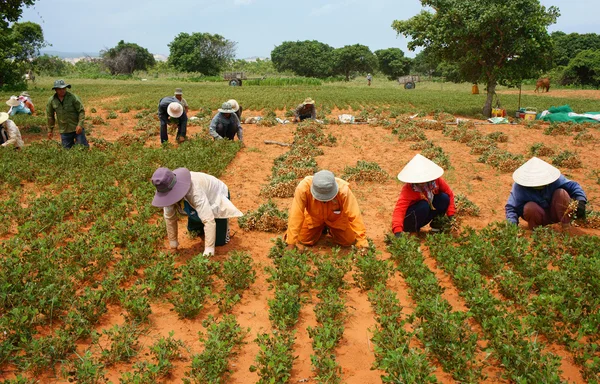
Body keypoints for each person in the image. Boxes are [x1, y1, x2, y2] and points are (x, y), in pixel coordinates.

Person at [151, 167, 243, 256]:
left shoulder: (195, 191)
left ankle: (219, 224)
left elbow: (208, 220)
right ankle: (197, 220)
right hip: (195, 201)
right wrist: (173, 246)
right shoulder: (166, 189)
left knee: (218, 241)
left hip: (216, 196)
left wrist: (209, 251)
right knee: (194, 231)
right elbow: (169, 218)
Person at [285, 170, 368, 250]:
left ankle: (332, 230)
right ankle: (320, 229)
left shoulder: (343, 191)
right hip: (314, 218)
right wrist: (291, 243)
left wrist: (362, 243)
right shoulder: (303, 188)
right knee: (303, 239)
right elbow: (296, 214)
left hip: (336, 219)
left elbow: (355, 215)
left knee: (348, 241)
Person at [505, 157, 587, 229]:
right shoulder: (519, 187)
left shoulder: (555, 179)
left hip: (556, 213)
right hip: (537, 216)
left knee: (561, 193)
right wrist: (512, 226)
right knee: (530, 207)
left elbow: (573, 186)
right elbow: (511, 207)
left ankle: (566, 227)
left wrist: (581, 201)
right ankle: (536, 231)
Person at [392, 154, 455, 235]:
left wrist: (451, 215)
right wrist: (397, 230)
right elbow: (399, 210)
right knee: (423, 205)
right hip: (412, 217)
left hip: (425, 214)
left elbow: (449, 194)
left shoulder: (436, 181)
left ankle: (437, 226)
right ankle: (412, 230)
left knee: (443, 198)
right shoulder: (409, 188)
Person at [46, 79, 89, 148]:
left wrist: (80, 125)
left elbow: (81, 111)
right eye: (60, 89)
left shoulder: (73, 97)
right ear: (56, 90)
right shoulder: (52, 100)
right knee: (67, 151)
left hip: (77, 128)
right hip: (64, 130)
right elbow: (50, 116)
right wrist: (50, 130)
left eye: (64, 88)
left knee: (83, 148)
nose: (62, 90)